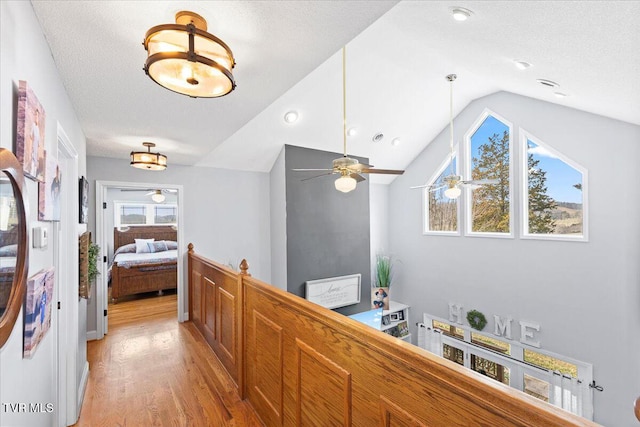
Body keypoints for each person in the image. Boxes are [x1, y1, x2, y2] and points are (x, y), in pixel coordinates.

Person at [29, 108, 41, 177]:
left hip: (36, 146)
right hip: (33, 145)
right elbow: (31, 135)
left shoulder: (38, 128)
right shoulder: (33, 125)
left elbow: (39, 142)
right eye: (35, 115)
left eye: (37, 116)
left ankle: (34, 173)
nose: (36, 117)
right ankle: (31, 172)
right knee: (33, 159)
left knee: (36, 160)